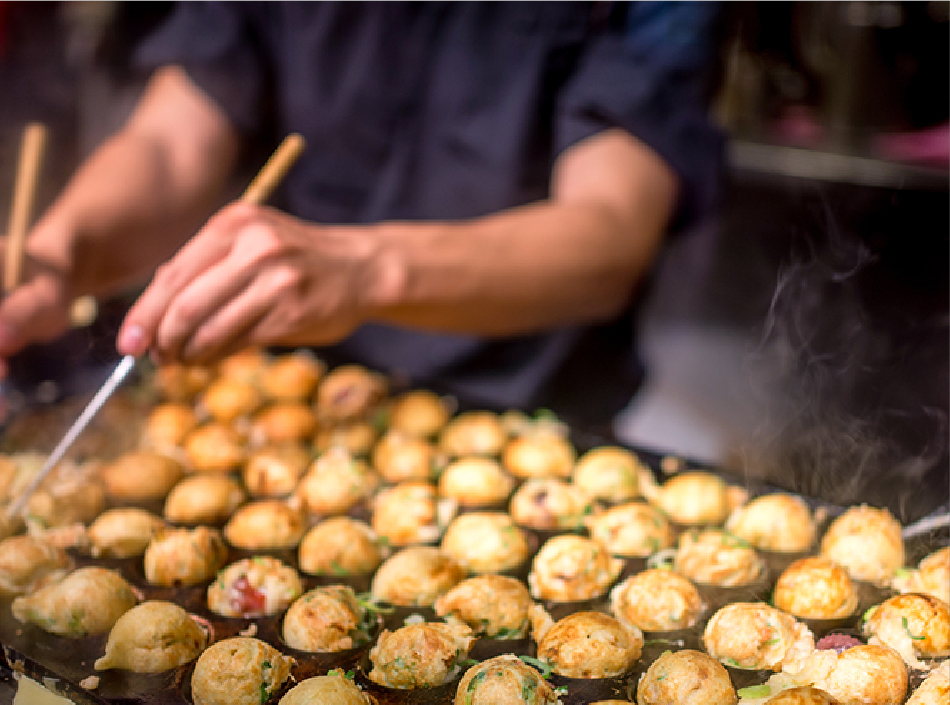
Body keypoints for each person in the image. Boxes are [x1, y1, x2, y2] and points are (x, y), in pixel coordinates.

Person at [0, 1, 723, 434]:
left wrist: (362, 269)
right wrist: (66, 249)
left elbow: (610, 231)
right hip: (284, 402)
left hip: (522, 405)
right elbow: (173, 137)